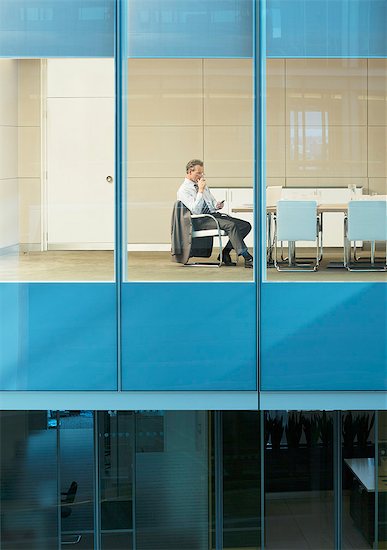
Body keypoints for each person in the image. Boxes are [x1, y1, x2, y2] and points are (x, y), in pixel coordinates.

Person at [177, 159, 253, 268]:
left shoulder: (201, 185)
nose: (201, 175)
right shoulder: (184, 190)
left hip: (212, 216)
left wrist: (216, 205)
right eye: (198, 173)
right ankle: (246, 256)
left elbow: (211, 203)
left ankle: (225, 253)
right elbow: (195, 210)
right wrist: (200, 191)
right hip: (200, 220)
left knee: (245, 225)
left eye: (202, 172)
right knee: (231, 225)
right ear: (189, 172)